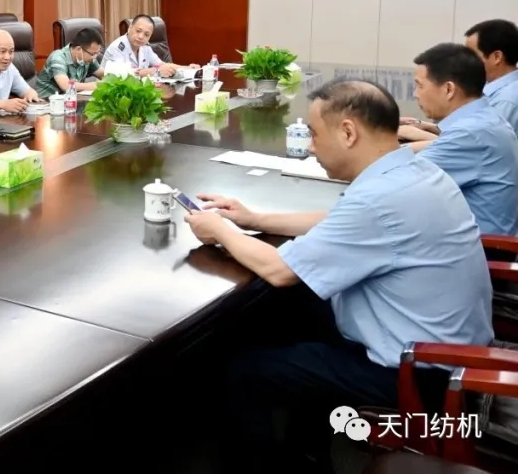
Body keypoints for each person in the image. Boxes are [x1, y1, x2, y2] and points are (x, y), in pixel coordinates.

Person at [182, 78, 493, 473]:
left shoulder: (379, 199)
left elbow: (279, 270)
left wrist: (220, 230)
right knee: (292, 307)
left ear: (348, 132)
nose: (311, 146)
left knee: (246, 373)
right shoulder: (411, 172)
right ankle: (309, 447)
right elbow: (338, 222)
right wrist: (253, 219)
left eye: (314, 134)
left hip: (419, 374)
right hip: (452, 356)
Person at [396, 43, 518, 235]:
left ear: (448, 89)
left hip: (481, 247)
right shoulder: (483, 121)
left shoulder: (471, 133)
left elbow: (398, 182)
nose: (415, 94)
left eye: (419, 85)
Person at [465, 18, 518, 134]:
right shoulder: (494, 91)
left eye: (471, 55)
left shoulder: (506, 100)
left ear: (497, 57)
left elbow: (475, 141)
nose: (465, 61)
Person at [101, 14, 194, 77]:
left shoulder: (145, 47)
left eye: (146, 34)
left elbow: (162, 65)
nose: (141, 37)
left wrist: (188, 68)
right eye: (138, 31)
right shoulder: (118, 48)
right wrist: (156, 71)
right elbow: (124, 75)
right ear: (129, 28)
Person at [34, 27, 105, 97]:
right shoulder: (57, 58)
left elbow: (104, 75)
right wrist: (97, 85)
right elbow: (66, 86)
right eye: (93, 54)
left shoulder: (87, 58)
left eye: (97, 53)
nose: (94, 57)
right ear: (78, 50)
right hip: (45, 101)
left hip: (70, 100)